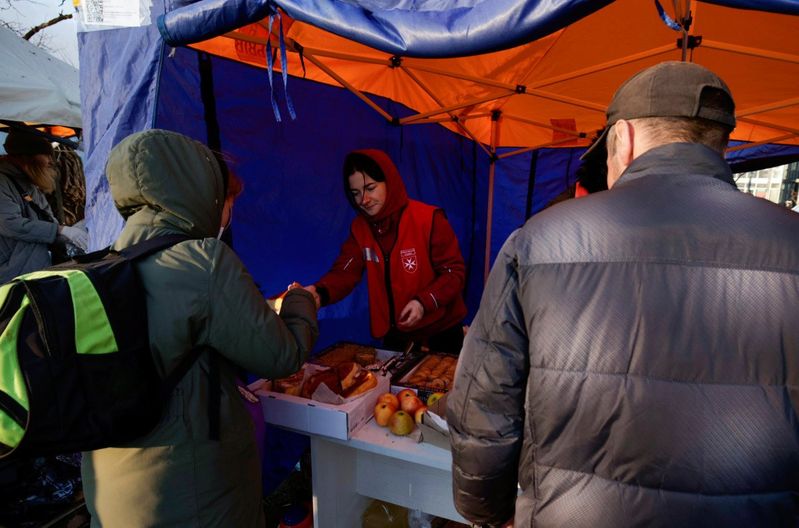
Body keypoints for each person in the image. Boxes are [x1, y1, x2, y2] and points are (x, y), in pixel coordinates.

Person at [447, 61, 799, 528]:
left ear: (624, 138)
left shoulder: (539, 241)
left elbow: (483, 404)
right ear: (720, 144)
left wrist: (487, 511)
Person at [80, 129, 319, 527]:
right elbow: (283, 354)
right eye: (229, 202)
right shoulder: (203, 261)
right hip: (193, 493)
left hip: (112, 490)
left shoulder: (109, 261)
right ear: (203, 195)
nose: (230, 214)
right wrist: (300, 301)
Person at [305, 149, 467, 354]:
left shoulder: (428, 219)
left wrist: (423, 303)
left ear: (389, 182)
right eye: (355, 193)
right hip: (396, 336)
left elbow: (454, 273)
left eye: (370, 188)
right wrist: (320, 292)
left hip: (441, 333)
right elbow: (345, 272)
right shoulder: (360, 229)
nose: (363, 200)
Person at [0, 128, 87, 282]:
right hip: (11, 272)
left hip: (33, 269)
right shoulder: (3, 182)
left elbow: (46, 222)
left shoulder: (28, 183)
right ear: (26, 157)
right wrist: (61, 230)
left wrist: (70, 234)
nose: (50, 161)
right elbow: (9, 224)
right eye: (46, 155)